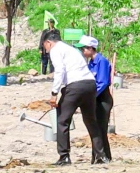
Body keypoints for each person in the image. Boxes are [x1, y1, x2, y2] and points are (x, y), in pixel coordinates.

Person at [47, 31, 106, 165]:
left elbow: (60, 71)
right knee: (91, 121)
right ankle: (100, 155)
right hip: (90, 84)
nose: (46, 50)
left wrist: (54, 93)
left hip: (75, 86)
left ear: (49, 43)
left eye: (45, 46)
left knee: (62, 121)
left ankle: (64, 156)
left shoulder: (55, 50)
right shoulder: (72, 50)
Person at [82, 35, 115, 148]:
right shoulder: (91, 63)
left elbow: (103, 82)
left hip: (103, 100)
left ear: (91, 48)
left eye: (84, 48)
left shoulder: (102, 61)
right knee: (95, 129)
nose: (82, 51)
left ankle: (104, 154)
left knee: (101, 129)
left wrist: (91, 96)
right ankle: (98, 154)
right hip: (95, 99)